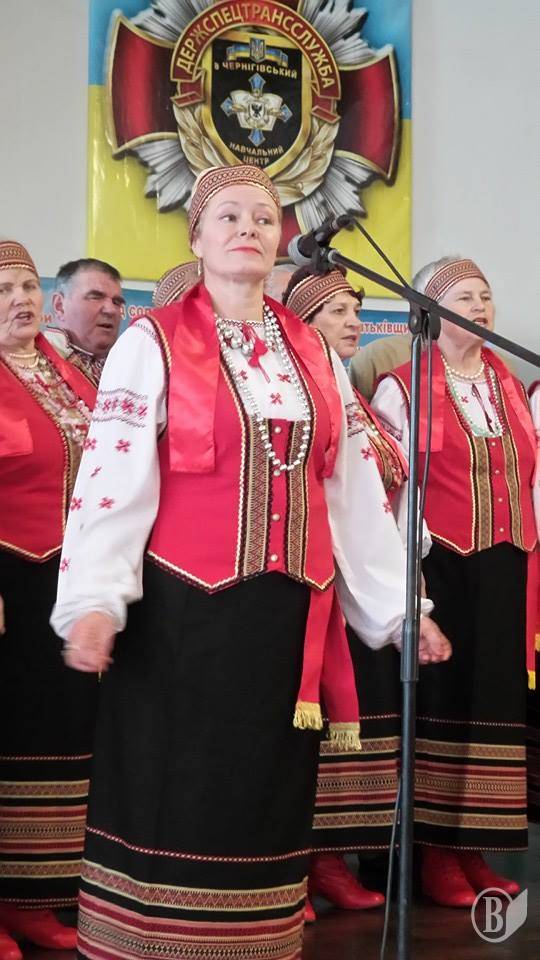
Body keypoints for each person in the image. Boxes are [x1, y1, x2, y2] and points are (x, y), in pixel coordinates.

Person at [51, 165, 447, 960]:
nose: (248, 230)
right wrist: (94, 600)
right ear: (196, 238)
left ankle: (251, 943)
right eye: (228, 216)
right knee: (178, 792)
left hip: (282, 621)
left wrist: (401, 610)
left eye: (264, 219)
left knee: (261, 798)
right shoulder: (152, 341)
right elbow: (111, 477)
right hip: (182, 618)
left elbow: (350, 490)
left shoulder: (313, 352)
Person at [372, 256, 538, 907]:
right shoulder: (405, 387)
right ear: (430, 311)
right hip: (439, 566)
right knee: (443, 703)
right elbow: (395, 496)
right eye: (465, 297)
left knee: (493, 707)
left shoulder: (510, 386)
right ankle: (435, 854)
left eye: (485, 296)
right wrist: (408, 586)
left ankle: (473, 847)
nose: (481, 307)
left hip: (503, 566)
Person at [283, 266, 431, 919]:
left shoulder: (355, 398)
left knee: (362, 727)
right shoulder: (304, 394)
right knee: (311, 725)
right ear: (303, 321)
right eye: (337, 311)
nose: (353, 322)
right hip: (320, 582)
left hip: (369, 586)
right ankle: (298, 864)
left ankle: (332, 861)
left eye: (355, 309)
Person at [0, 241, 98, 959]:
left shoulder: (68, 374)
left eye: (28, 286)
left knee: (56, 737)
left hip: (66, 585)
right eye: (3, 289)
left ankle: (34, 897)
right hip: (9, 580)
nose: (20, 300)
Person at [46, 258, 125, 386]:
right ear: (59, 306)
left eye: (117, 302)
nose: (111, 310)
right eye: (96, 297)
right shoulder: (34, 364)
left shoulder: (127, 368)